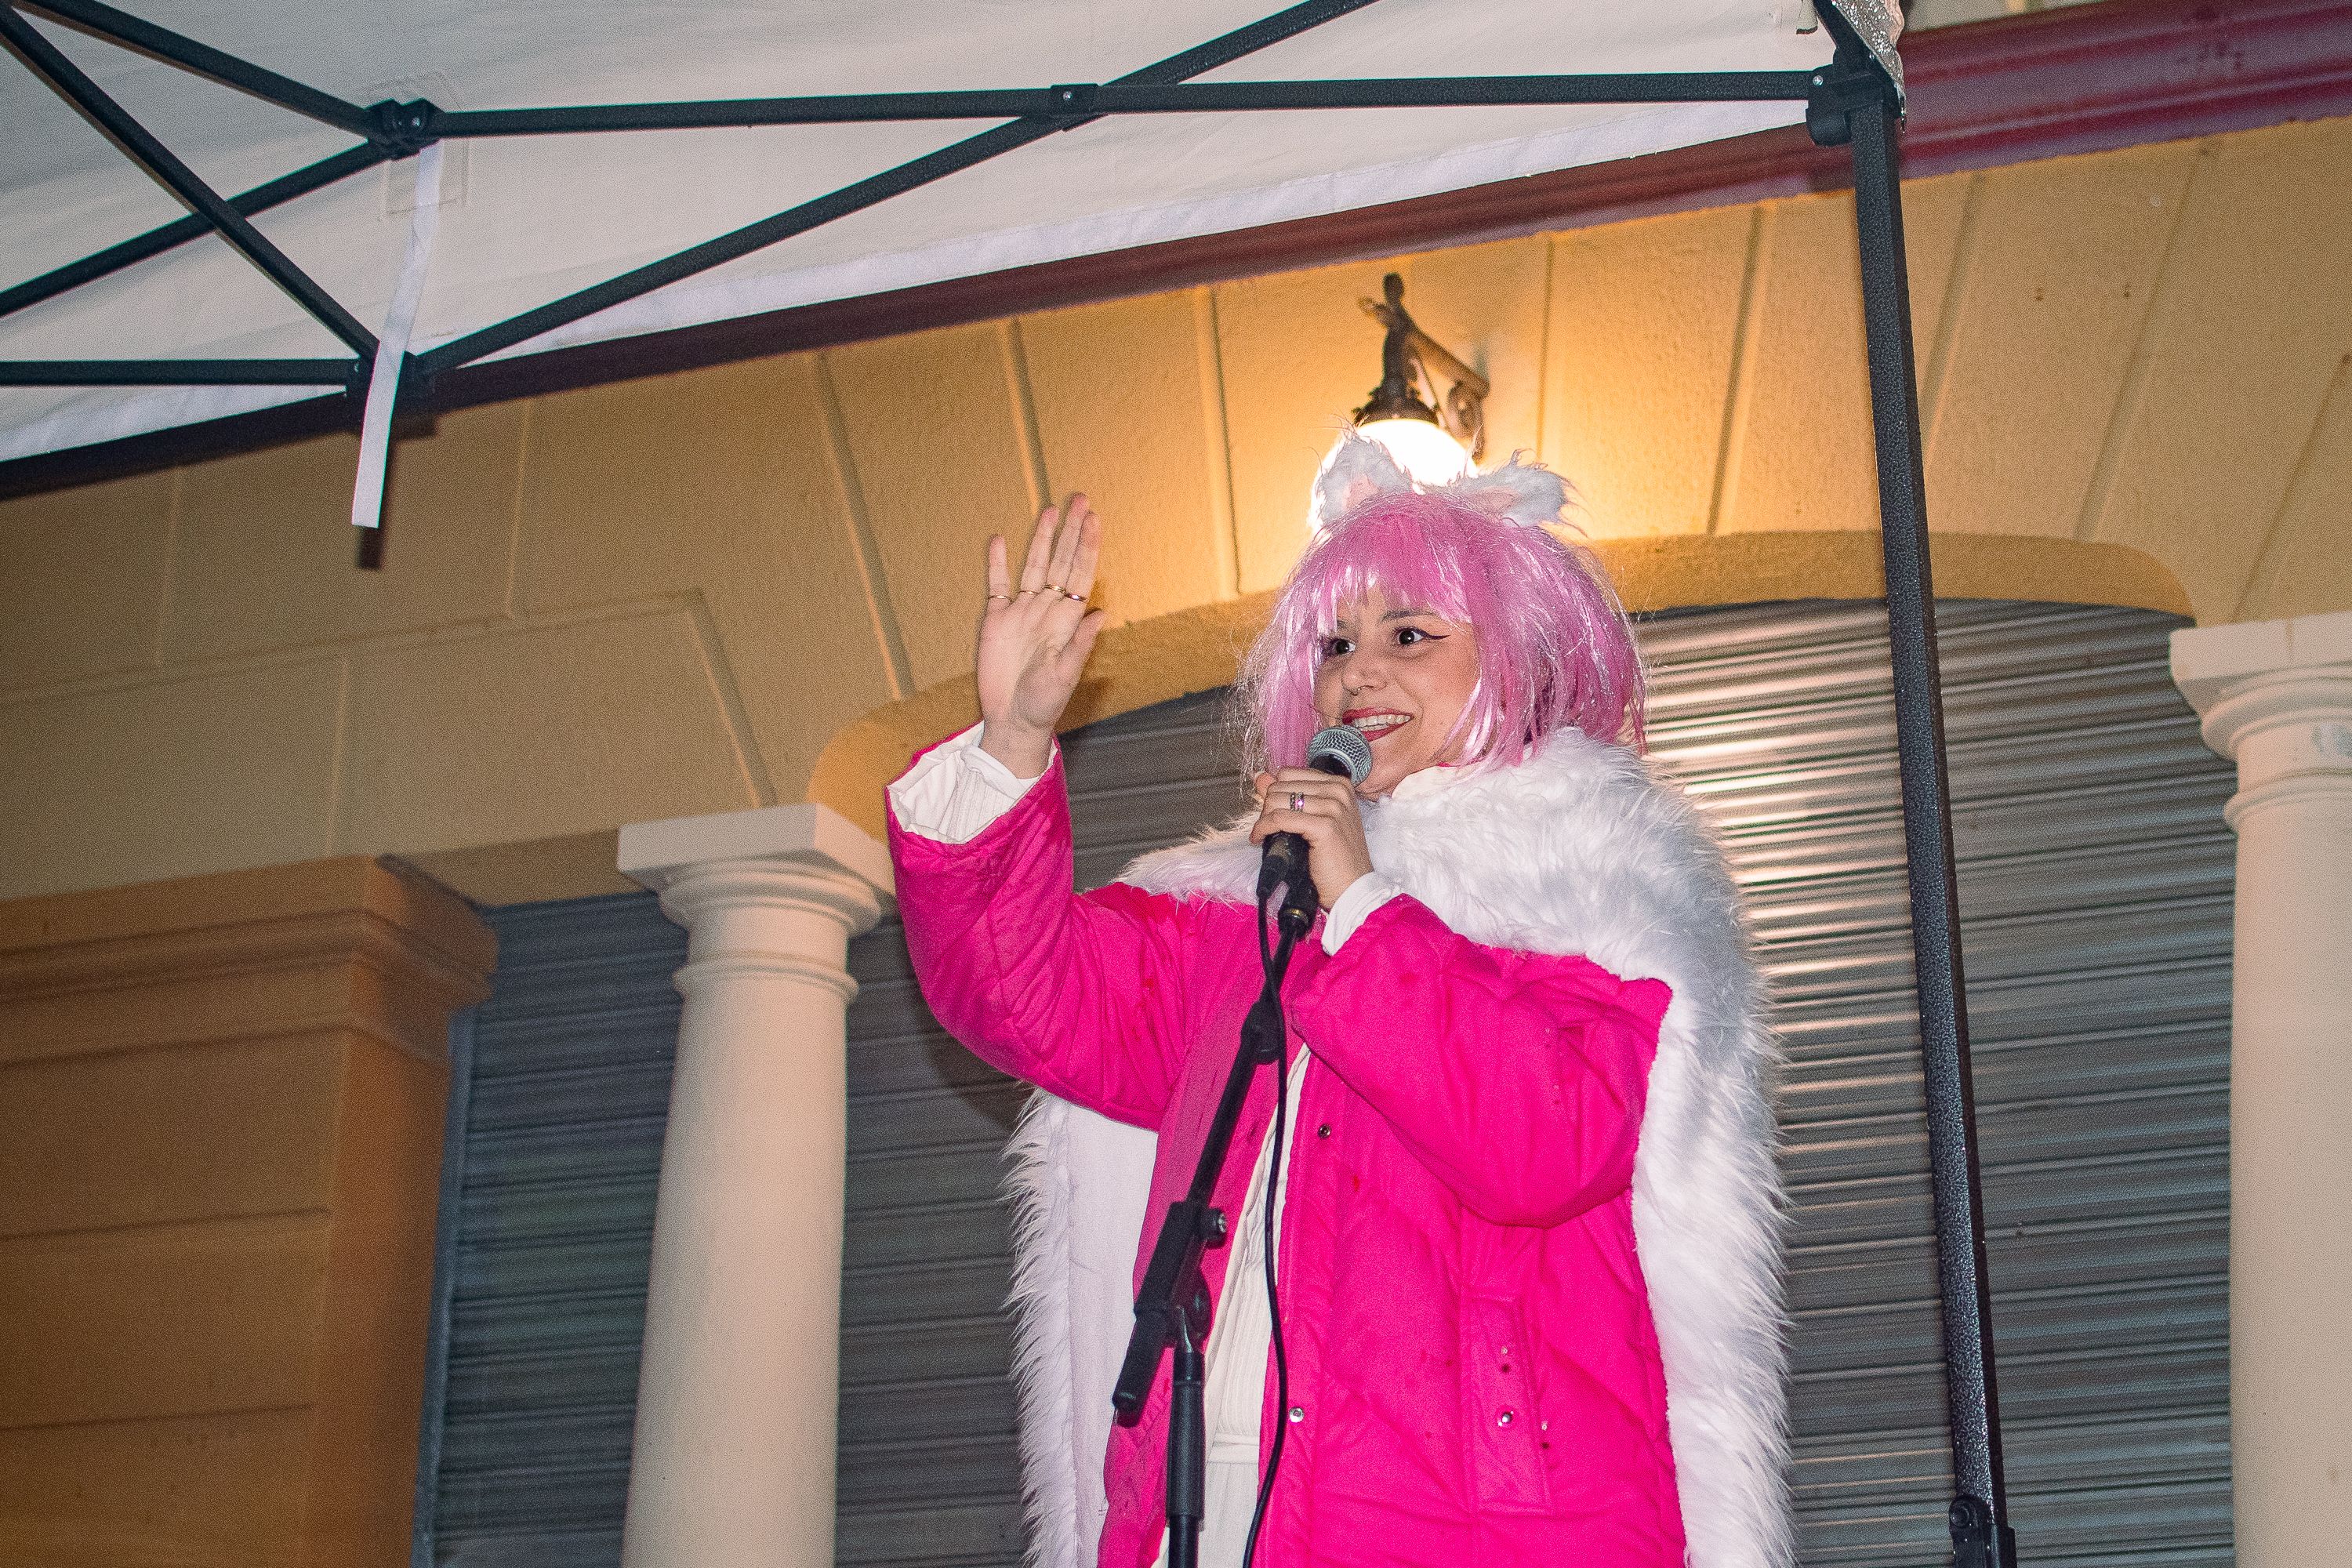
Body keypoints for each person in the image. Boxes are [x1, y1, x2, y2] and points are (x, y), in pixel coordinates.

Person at [886, 434, 1788, 1568]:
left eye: (1410, 636)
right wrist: (1013, 738)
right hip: (1207, 1505)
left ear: (1515, 656)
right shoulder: (1237, 908)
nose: (1359, 675)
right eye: (1335, 644)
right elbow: (1022, 992)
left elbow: (1546, 1143)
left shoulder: (1600, 887)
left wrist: (1363, 905)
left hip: (1464, 1527)